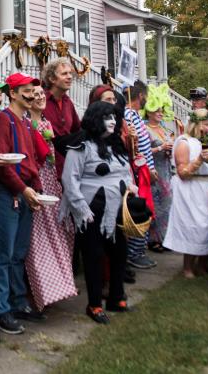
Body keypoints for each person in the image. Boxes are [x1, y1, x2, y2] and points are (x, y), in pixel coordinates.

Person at [59, 101, 137, 324]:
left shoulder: (116, 145)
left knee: (119, 253)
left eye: (114, 117)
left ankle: (116, 297)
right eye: (106, 117)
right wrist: (81, 208)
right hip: (91, 212)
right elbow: (70, 179)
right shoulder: (81, 146)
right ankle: (94, 305)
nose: (112, 121)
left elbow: (126, 171)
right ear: (95, 119)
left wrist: (131, 186)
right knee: (93, 257)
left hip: (116, 211)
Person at [0, 72, 45, 335]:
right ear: (13, 93)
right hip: (6, 194)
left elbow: (31, 161)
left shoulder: (25, 123)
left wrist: (36, 191)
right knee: (2, 254)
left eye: (33, 89)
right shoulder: (3, 121)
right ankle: (0, 311)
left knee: (18, 254)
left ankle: (18, 302)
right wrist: (23, 189)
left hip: (24, 195)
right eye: (27, 88)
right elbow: (2, 163)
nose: (32, 93)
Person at [26, 85, 78, 312]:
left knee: (63, 230)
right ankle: (40, 292)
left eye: (40, 94)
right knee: (39, 238)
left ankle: (61, 285)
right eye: (34, 94)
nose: (39, 98)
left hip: (52, 180)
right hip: (35, 181)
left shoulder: (46, 123)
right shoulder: (27, 124)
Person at [163, 108, 208, 278]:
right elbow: (183, 172)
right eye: (206, 124)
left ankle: (202, 265)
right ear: (196, 124)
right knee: (194, 227)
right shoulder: (184, 142)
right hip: (191, 188)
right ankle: (188, 267)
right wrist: (199, 160)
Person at [123, 80, 157, 270]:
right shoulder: (128, 115)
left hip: (145, 171)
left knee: (145, 210)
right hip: (137, 172)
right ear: (141, 96)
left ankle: (139, 250)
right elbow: (135, 148)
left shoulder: (135, 115)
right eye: (146, 96)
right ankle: (134, 253)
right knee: (139, 210)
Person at [142, 84, 176, 251]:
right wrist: (161, 148)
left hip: (166, 170)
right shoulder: (145, 128)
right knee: (155, 203)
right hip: (153, 171)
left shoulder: (163, 128)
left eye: (162, 110)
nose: (160, 113)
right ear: (149, 111)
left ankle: (165, 238)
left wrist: (170, 150)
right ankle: (154, 240)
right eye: (157, 110)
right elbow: (143, 150)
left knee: (167, 203)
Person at [42, 58, 81, 179]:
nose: (69, 77)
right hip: (47, 166)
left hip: (68, 165)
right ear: (52, 79)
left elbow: (77, 130)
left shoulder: (68, 102)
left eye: (70, 73)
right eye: (64, 73)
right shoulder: (40, 101)